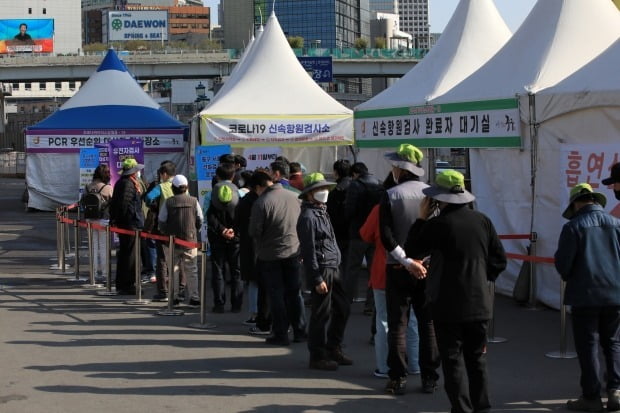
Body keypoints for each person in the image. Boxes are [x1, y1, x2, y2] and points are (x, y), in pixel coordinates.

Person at [405, 170, 507, 413]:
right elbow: (499, 260)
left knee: (452, 362)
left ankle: (461, 408)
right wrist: (482, 278)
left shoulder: (438, 225)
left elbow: (413, 250)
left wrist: (421, 218)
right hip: (479, 303)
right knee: (477, 359)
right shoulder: (483, 220)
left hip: (446, 304)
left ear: (438, 199)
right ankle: (482, 407)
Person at [379, 144, 440, 395]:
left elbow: (386, 235)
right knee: (428, 324)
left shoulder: (390, 195)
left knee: (398, 324)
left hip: (398, 267)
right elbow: (438, 233)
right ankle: (430, 378)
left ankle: (398, 377)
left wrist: (406, 261)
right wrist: (422, 261)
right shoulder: (432, 194)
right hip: (427, 268)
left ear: (400, 168)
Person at [555, 182, 620, 413]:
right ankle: (616, 391)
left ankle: (591, 396)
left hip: (585, 294)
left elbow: (563, 264)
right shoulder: (616, 224)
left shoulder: (573, 227)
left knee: (589, 345)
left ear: (575, 204)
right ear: (595, 201)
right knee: (612, 342)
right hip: (615, 294)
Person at [297, 172, 352, 371]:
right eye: (319, 189)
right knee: (321, 314)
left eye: (325, 188)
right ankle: (317, 356)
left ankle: (333, 346)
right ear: (310, 193)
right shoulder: (307, 217)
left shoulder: (322, 211)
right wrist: (316, 277)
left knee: (343, 307)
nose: (324, 192)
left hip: (333, 266)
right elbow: (308, 250)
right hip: (322, 269)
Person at [360, 203, 420, 379]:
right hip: (414, 267)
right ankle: (415, 364)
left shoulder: (380, 208)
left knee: (384, 321)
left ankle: (385, 367)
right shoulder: (422, 202)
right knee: (412, 320)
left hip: (383, 269)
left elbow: (365, 234)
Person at [249, 170, 307, 346]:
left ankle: (281, 333)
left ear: (258, 187)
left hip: (270, 255)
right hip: (294, 251)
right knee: (295, 293)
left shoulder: (262, 202)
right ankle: (300, 330)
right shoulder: (295, 197)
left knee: (276, 295)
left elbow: (254, 231)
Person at [158, 174, 203, 306]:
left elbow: (162, 220)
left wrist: (165, 232)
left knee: (173, 269)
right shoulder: (194, 201)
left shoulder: (169, 202)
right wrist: (195, 231)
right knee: (192, 269)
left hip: (172, 240)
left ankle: (175, 297)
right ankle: (194, 297)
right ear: (186, 187)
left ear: (173, 188)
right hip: (190, 240)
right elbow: (200, 219)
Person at [343, 162, 382, 309]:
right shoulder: (379, 183)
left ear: (354, 173)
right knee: (373, 269)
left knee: (353, 268)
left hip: (358, 232)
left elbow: (349, 210)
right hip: (375, 233)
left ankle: (347, 300)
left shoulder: (355, 185)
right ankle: (371, 304)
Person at [207, 163, 243, 313]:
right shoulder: (239, 194)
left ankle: (219, 304)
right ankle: (236, 305)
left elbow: (209, 216)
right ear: (233, 176)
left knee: (218, 271)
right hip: (235, 239)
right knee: (236, 272)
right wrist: (233, 231)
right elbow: (242, 217)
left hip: (217, 238)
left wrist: (222, 230)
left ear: (217, 176)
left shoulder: (211, 194)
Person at [108, 158, 145, 295]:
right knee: (130, 256)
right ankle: (128, 284)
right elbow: (123, 205)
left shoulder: (123, 182)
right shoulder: (128, 184)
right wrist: (120, 220)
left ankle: (123, 283)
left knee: (126, 254)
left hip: (127, 223)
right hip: (130, 224)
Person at [145, 161, 180, 301]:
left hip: (163, 227)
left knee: (162, 259)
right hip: (181, 227)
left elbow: (148, 198)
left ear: (164, 174)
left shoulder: (161, 186)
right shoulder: (181, 184)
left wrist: (152, 205)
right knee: (179, 259)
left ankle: (163, 291)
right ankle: (180, 290)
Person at [84, 164, 113, 284]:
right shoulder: (107, 188)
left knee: (93, 247)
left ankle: (93, 273)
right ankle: (105, 274)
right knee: (104, 247)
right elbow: (113, 203)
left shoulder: (88, 187)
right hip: (103, 220)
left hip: (89, 220)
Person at [326, 159, 352, 262]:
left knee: (339, 261)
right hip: (355, 232)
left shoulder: (335, 190)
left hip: (339, 233)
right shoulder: (357, 186)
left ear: (336, 172)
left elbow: (331, 213)